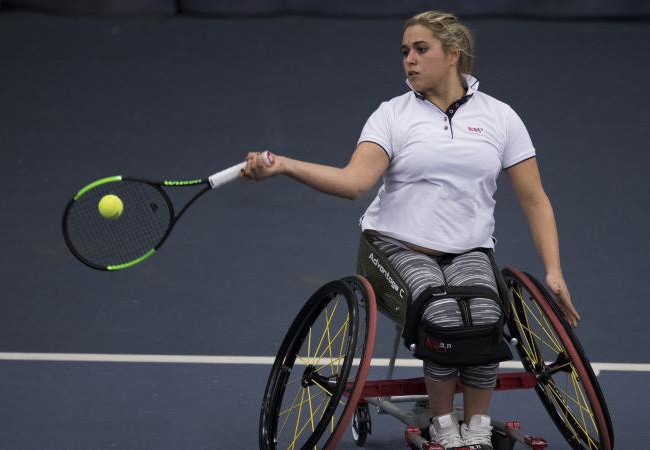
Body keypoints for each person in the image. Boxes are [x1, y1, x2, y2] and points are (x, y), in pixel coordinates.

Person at [241, 10, 580, 450]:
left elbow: (535, 198)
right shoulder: (392, 116)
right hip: (392, 249)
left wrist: (553, 270)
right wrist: (284, 165)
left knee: (485, 316)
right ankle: (441, 426)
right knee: (440, 314)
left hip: (467, 251)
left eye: (421, 50)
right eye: (405, 52)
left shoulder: (500, 117)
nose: (410, 61)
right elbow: (354, 184)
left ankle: (476, 428)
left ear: (453, 55)